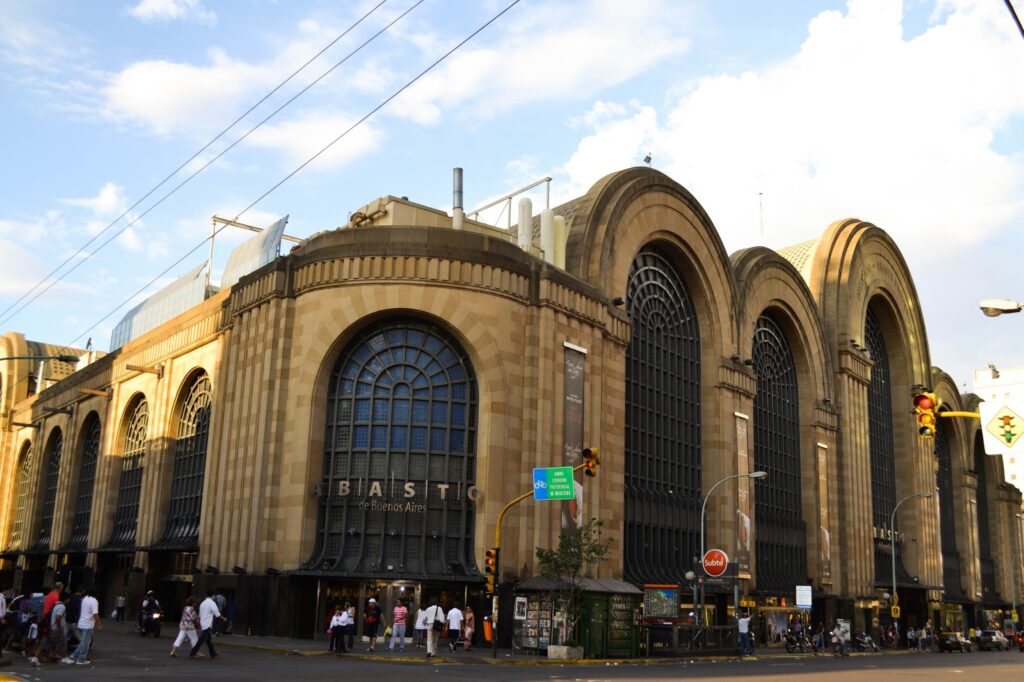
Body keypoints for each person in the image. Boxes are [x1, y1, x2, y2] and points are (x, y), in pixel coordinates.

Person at [62, 585, 99, 666]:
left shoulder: (84, 599)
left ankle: (78, 657)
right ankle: (77, 658)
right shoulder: (93, 601)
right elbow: (95, 613)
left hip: (80, 622)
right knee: (84, 642)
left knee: (84, 641)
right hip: (87, 624)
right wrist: (98, 623)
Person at [190, 591, 226, 659]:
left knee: (208, 640)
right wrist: (223, 618)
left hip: (203, 623)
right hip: (207, 624)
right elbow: (217, 613)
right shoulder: (212, 603)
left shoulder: (203, 603)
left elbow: (200, 614)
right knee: (201, 640)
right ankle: (193, 652)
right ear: (212, 596)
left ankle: (213, 653)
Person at [37, 592, 68, 663]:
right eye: (68, 599)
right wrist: (60, 628)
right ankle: (59, 656)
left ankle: (37, 657)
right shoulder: (62, 607)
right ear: (65, 599)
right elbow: (58, 618)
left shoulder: (56, 605)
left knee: (46, 643)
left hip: (50, 627)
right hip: (56, 628)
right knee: (62, 642)